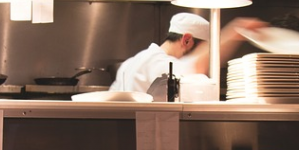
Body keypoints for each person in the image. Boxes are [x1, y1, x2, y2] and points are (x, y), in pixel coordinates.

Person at [110, 12, 266, 93]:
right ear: (186, 40)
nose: (205, 56)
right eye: (203, 50)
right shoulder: (157, 63)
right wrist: (236, 31)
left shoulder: (130, 63)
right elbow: (194, 66)